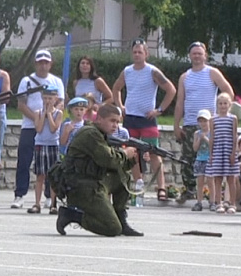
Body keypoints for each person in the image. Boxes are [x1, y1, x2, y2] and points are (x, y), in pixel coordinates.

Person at [52, 103, 144, 237]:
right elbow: (108, 159)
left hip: (94, 182)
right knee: (112, 228)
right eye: (112, 121)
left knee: (123, 176)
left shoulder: (103, 135)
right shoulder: (90, 134)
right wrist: (125, 153)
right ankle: (72, 215)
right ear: (99, 119)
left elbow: (117, 165)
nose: (115, 125)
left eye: (118, 122)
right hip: (81, 187)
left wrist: (135, 158)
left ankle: (121, 219)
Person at [110, 39, 176, 202]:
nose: (137, 55)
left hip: (147, 118)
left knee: (154, 152)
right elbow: (116, 88)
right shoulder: (127, 71)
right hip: (131, 117)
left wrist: (159, 110)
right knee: (132, 152)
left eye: (140, 52)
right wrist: (120, 106)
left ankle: (161, 187)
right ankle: (138, 183)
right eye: (135, 52)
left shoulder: (152, 71)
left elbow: (170, 90)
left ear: (146, 54)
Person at [172, 41, 234, 201]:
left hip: (210, 123)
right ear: (190, 56)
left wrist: (223, 113)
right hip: (190, 123)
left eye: (200, 53)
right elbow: (180, 102)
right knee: (188, 158)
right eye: (194, 53)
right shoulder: (184, 77)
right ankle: (189, 190)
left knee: (211, 158)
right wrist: (176, 125)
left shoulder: (212, 73)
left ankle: (212, 192)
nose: (197, 56)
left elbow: (228, 91)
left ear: (205, 55)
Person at [13, 49, 64, 208]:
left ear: (50, 64)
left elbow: (61, 102)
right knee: (24, 160)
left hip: (49, 127)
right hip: (30, 126)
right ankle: (20, 194)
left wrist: (49, 116)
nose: (43, 65)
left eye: (46, 62)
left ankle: (49, 196)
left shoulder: (56, 81)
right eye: (40, 62)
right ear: (36, 63)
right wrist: (37, 118)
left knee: (50, 163)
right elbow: (21, 104)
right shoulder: (26, 81)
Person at [29, 87, 62, 215]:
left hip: (53, 145)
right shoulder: (38, 112)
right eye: (46, 98)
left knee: (53, 176)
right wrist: (44, 114)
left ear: (55, 99)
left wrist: (49, 113)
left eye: (50, 98)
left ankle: (53, 204)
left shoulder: (58, 113)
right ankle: (37, 203)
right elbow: (38, 128)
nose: (48, 101)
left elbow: (54, 128)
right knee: (40, 176)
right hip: (40, 145)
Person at [205, 93, 240, 213]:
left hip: (229, 149)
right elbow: (212, 137)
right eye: (220, 103)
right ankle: (218, 203)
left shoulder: (233, 118)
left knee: (231, 179)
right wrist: (211, 154)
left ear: (229, 105)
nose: (223, 106)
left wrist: (233, 152)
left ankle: (232, 204)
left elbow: (234, 136)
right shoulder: (213, 119)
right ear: (217, 105)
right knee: (218, 179)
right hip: (217, 150)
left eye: (225, 103)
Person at [191, 109, 212, 211]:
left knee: (210, 181)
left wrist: (206, 139)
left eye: (205, 121)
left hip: (209, 159)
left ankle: (212, 201)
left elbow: (213, 146)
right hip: (200, 159)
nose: (203, 123)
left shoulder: (212, 132)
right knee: (200, 183)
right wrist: (200, 138)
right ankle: (199, 202)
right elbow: (195, 148)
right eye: (201, 121)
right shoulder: (197, 133)